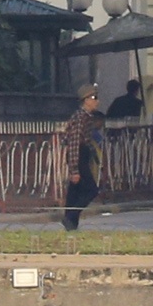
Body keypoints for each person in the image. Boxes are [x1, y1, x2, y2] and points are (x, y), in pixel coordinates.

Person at [61, 84, 104, 231]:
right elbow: (74, 143)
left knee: (75, 191)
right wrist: (74, 169)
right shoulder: (80, 117)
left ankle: (71, 225)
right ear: (86, 100)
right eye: (94, 98)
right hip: (77, 155)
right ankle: (70, 217)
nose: (97, 101)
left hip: (83, 154)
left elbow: (86, 140)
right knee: (91, 190)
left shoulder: (87, 117)